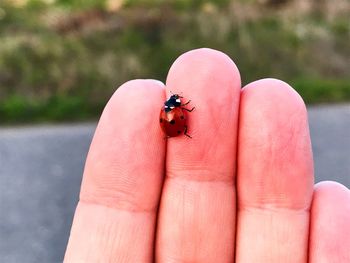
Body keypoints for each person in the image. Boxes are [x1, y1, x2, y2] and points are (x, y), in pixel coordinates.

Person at [64, 48, 350, 262]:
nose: (178, 103)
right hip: (175, 133)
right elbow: (179, 113)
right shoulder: (174, 109)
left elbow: (176, 114)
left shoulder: (170, 109)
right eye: (178, 102)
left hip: (174, 132)